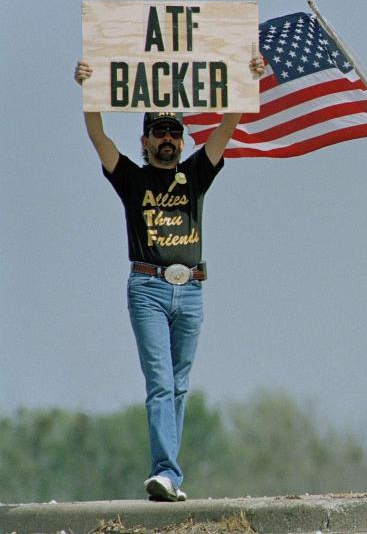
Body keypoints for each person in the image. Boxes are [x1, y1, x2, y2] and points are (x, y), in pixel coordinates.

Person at [73, 55, 264, 501]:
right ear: (144, 139)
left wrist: (246, 78)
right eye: (159, 132)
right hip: (148, 287)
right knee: (159, 382)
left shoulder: (195, 175)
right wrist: (88, 92)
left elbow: (227, 126)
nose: (168, 139)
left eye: (175, 132)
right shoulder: (132, 179)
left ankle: (171, 477)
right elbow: (98, 135)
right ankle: (165, 470)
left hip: (192, 288)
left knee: (179, 384)